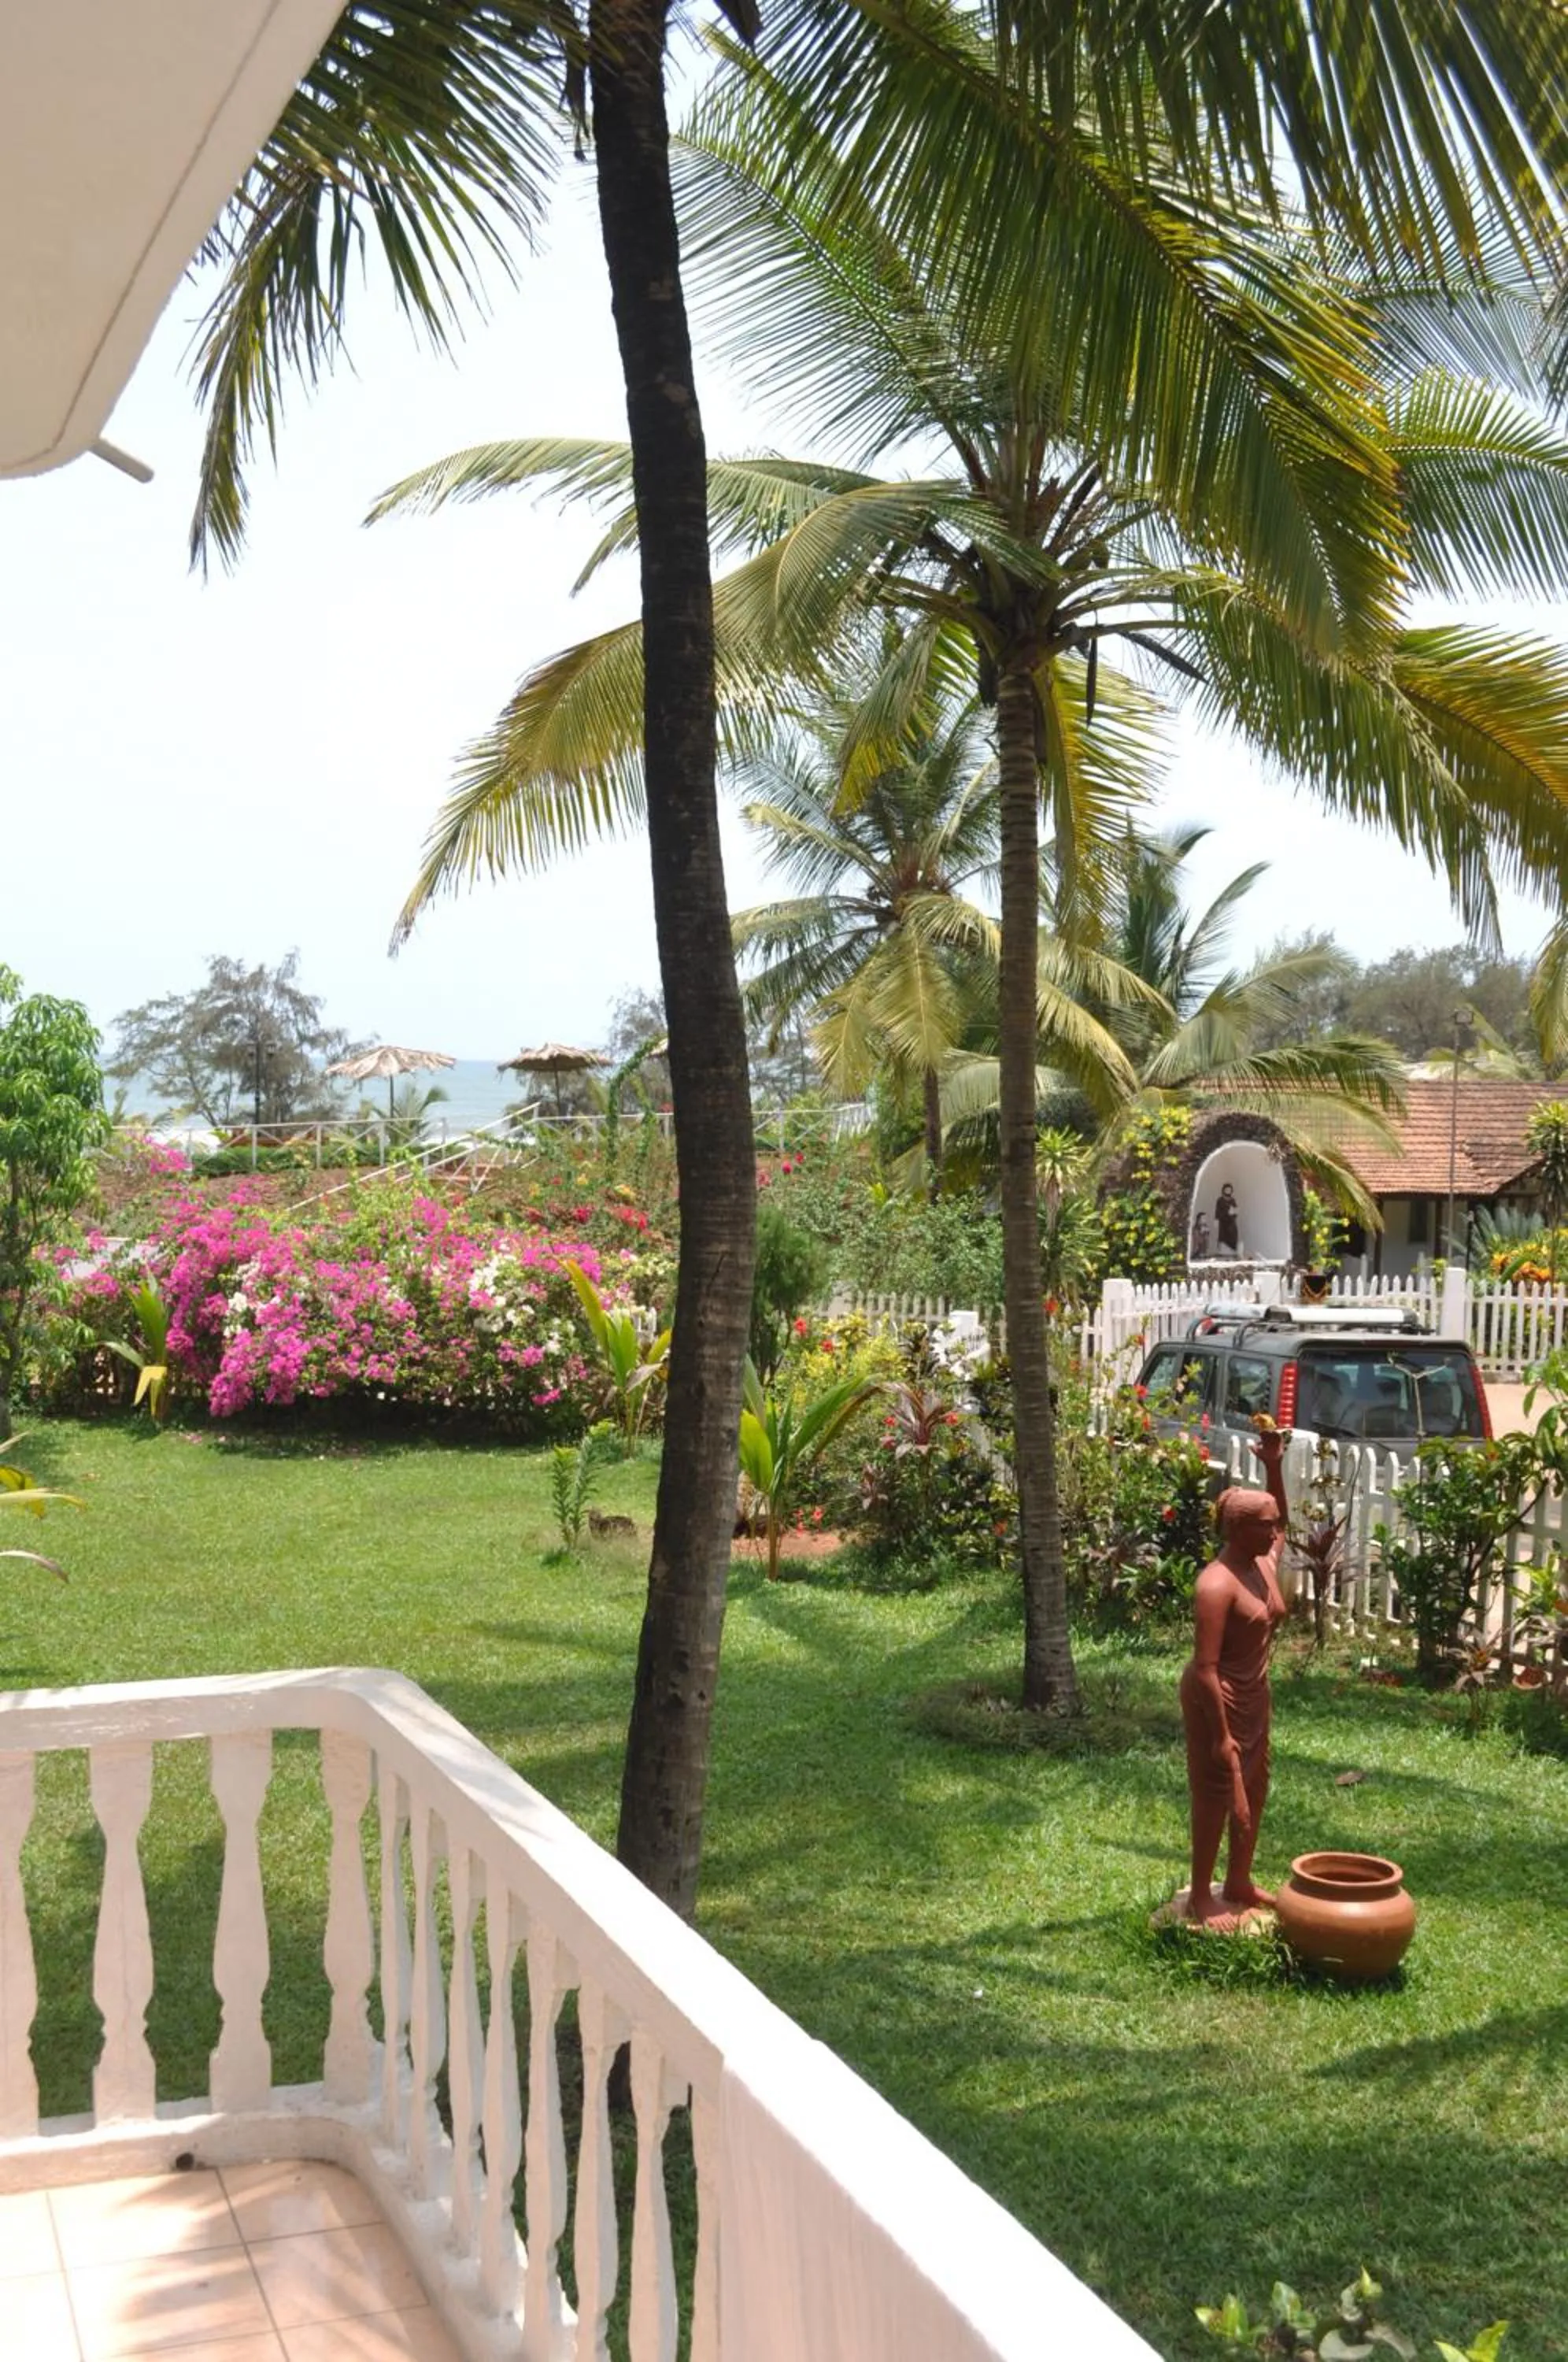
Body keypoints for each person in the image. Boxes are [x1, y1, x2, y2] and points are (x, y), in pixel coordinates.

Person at [1178, 1427, 1289, 1927]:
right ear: (1239, 1530)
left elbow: (1283, 1529)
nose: (1275, 1531)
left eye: (1273, 1524)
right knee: (1217, 1792)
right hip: (1215, 1697)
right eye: (1265, 1525)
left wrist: (1273, 1466)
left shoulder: (1260, 1564)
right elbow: (1205, 1666)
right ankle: (1202, 1895)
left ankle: (1239, 1880)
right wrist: (1221, 1737)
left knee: (1255, 1787)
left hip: (1254, 1695)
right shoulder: (1215, 1585)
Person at [1215, 1182, 1241, 1254]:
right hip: (1224, 1223)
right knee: (1224, 1239)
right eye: (1227, 1190)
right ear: (1224, 1190)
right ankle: (1224, 1252)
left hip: (1232, 1223)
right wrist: (1217, 1219)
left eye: (1229, 1190)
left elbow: (1236, 1211)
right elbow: (1218, 1211)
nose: (1228, 1191)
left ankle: (1233, 1252)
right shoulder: (1220, 1200)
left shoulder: (1232, 1200)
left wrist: (1234, 1212)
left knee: (1233, 1237)